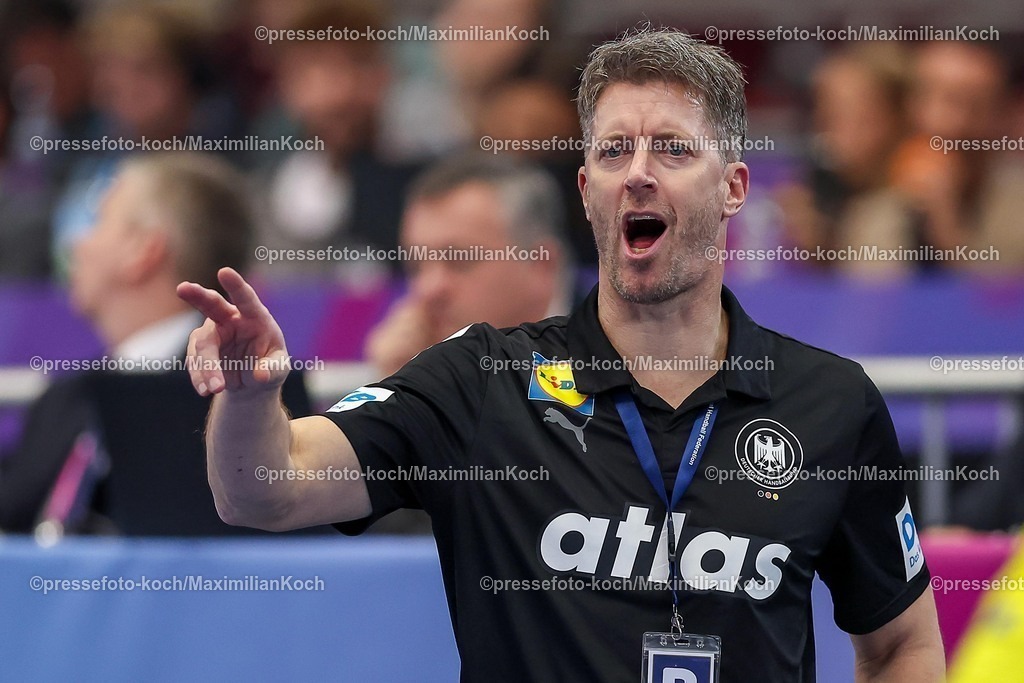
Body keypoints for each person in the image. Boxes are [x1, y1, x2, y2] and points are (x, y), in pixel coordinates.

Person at [178, 29, 945, 681]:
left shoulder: (829, 401)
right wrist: (248, 398)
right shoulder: (480, 380)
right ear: (586, 189)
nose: (638, 170)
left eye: (673, 148)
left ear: (735, 187)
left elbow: (902, 641)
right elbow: (263, 493)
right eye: (614, 150)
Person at [0, 152, 311, 536]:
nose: (77, 244)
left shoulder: (246, 393)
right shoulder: (63, 398)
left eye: (96, 221)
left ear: (143, 250)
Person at [365, 154, 572, 377]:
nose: (429, 290)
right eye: (416, 266)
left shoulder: (606, 353)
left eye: (459, 261)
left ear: (542, 265)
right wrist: (403, 390)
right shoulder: (414, 365)